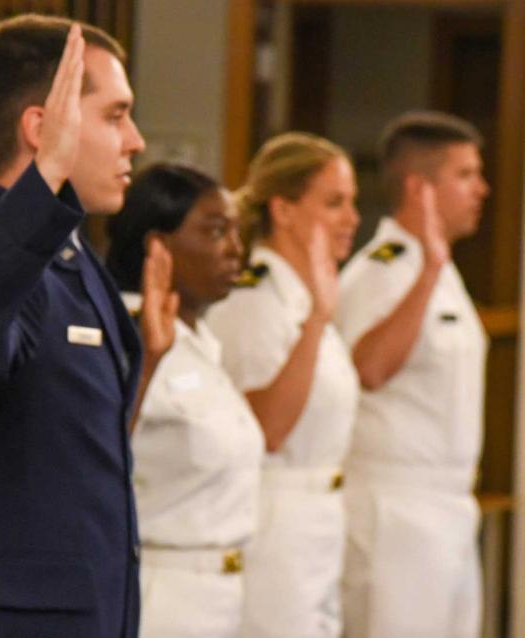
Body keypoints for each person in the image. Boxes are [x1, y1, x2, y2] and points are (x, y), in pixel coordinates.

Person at [0, 15, 174, 638]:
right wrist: (42, 183)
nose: (136, 140)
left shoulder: (74, 255)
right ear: (43, 127)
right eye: (115, 116)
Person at [335, 111, 489, 638]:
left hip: (449, 505)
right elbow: (369, 368)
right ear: (418, 187)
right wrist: (425, 276)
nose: (482, 189)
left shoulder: (440, 268)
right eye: (466, 175)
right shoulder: (382, 270)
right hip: (396, 510)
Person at [206, 132, 361, 638]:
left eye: (353, 203)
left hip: (321, 515)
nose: (352, 219)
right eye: (334, 202)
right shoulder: (256, 298)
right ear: (284, 209)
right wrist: (317, 320)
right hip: (274, 517)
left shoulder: (304, 294)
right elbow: (268, 427)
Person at [105, 163, 264, 638]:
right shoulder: (127, 338)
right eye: (217, 232)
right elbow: (100, 451)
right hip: (160, 588)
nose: (237, 249)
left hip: (222, 592)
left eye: (237, 231)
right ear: (159, 245)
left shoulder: (200, 343)